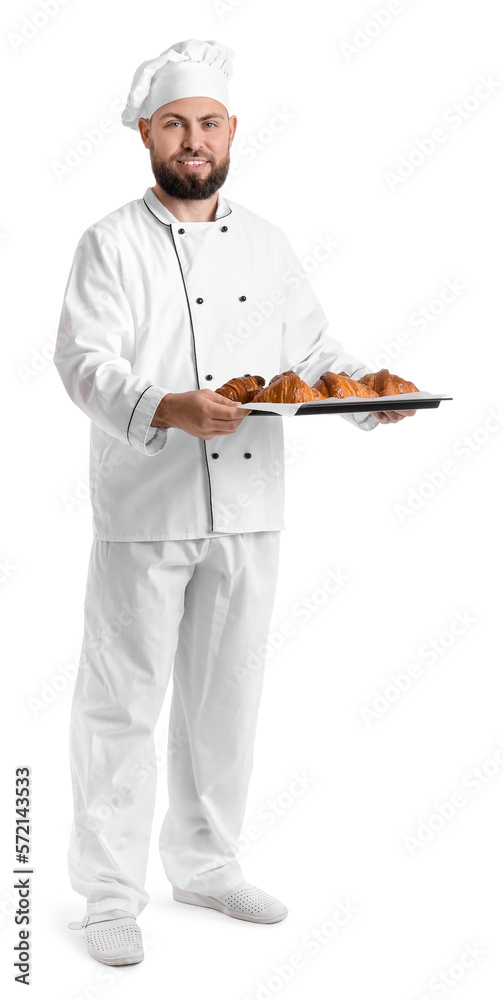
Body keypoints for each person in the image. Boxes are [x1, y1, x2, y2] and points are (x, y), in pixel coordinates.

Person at [54, 37, 416, 967]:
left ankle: (207, 866)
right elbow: (83, 363)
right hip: (147, 504)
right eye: (174, 122)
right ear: (145, 132)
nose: (192, 139)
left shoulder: (264, 240)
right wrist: (162, 405)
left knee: (228, 700)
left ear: (230, 131)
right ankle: (106, 892)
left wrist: (371, 394)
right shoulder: (109, 243)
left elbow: (313, 355)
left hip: (251, 504)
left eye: (207, 122)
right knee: (123, 703)